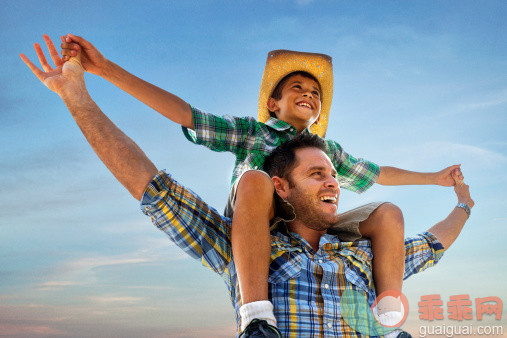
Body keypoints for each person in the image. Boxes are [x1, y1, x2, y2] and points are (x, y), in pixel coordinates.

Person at [20, 40, 474, 337]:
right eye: (298, 87)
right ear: (273, 103)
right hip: (256, 224)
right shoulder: (253, 136)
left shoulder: (334, 167)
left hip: (329, 233)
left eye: (316, 94)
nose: (309, 96)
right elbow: (182, 127)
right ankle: (257, 317)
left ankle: (389, 322)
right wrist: (96, 81)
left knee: (389, 213)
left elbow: (403, 206)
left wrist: (452, 192)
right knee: (253, 181)